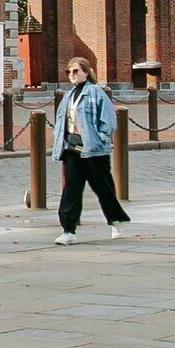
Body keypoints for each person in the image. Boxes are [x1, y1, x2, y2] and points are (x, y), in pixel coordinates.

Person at [54, 56, 127, 244]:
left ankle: (116, 221)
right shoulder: (68, 96)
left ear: (86, 72)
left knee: (103, 188)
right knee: (71, 189)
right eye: (68, 72)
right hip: (72, 149)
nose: (72, 75)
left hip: (94, 150)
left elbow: (108, 120)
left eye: (76, 71)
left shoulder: (96, 92)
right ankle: (68, 230)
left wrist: (100, 139)